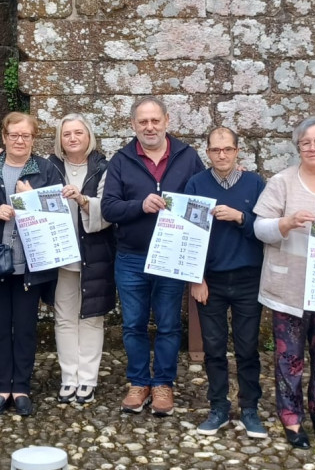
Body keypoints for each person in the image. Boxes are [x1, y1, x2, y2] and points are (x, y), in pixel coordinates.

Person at [252, 116, 315, 449]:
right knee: (290, 357)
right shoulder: (282, 182)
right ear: (298, 148)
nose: (312, 148)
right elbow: (259, 228)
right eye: (306, 143)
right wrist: (285, 223)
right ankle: (292, 418)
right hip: (290, 286)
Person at [101, 96, 205, 417]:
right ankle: (138, 382)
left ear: (166, 121)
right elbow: (108, 208)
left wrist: (233, 173)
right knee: (133, 324)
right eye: (142, 122)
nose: (149, 127)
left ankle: (163, 383)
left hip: (172, 257)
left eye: (154, 120)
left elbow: (204, 198)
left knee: (169, 324)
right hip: (131, 256)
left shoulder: (188, 158)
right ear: (133, 125)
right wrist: (139, 206)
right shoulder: (121, 159)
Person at [0, 112, 62, 417]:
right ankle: (2, 386)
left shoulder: (46, 170)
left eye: (26, 136)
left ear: (34, 139)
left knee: (27, 327)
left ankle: (22, 388)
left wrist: (32, 200)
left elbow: (57, 214)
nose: (20, 141)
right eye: (14, 135)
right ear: (3, 137)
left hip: (30, 262)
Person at [184, 127, 267, 438]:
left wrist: (241, 217)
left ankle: (249, 409)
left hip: (248, 277)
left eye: (227, 150)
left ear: (237, 151)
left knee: (248, 348)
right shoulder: (196, 183)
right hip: (211, 280)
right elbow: (189, 235)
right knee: (214, 348)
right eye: (216, 150)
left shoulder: (255, 183)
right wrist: (197, 278)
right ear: (208, 152)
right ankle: (218, 407)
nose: (222, 155)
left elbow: (267, 229)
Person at [47, 114, 115, 405]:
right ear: (59, 140)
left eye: (78, 133)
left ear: (89, 136)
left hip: (94, 253)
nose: (73, 138)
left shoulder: (104, 167)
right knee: (64, 318)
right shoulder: (48, 166)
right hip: (61, 255)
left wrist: (83, 200)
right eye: (67, 134)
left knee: (91, 317)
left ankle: (87, 378)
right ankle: (68, 377)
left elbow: (110, 210)